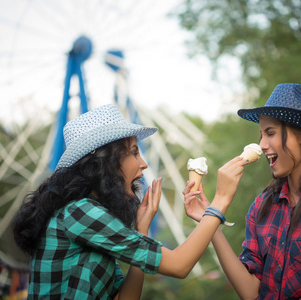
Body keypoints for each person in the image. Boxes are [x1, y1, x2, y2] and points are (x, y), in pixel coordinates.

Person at [13, 104, 247, 299]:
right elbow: (179, 265)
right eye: (134, 152)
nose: (143, 163)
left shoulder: (91, 219)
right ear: (106, 161)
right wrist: (220, 200)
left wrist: (142, 232)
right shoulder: (80, 213)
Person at [183, 83, 301, 299]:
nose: (262, 145)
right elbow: (250, 292)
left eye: (270, 133)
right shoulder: (261, 206)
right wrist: (211, 219)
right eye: (261, 135)